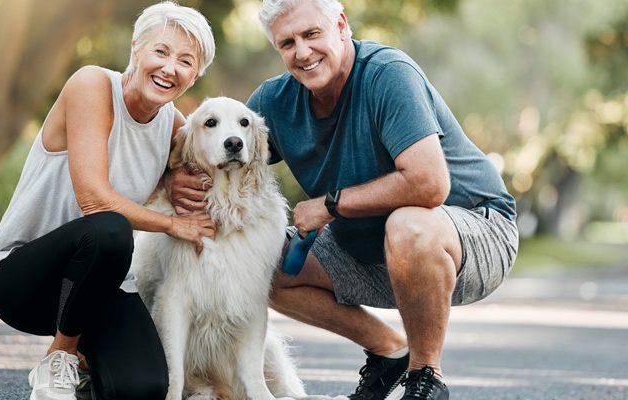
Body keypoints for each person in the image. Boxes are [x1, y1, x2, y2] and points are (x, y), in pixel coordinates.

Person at [169, 0, 518, 399]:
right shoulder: (274, 102)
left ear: (341, 25)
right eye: (287, 42)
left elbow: (429, 185)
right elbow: (218, 143)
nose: (302, 52)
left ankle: (425, 376)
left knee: (408, 225)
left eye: (311, 34)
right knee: (266, 261)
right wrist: (177, 176)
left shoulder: (388, 75)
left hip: (473, 231)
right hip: (368, 243)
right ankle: (390, 350)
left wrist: (329, 204)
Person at [0, 3, 216, 400]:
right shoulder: (92, 84)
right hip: (19, 277)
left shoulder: (175, 126)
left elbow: (208, 174)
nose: (170, 68)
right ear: (136, 49)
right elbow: (94, 200)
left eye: (186, 61)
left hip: (97, 288)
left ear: (194, 75)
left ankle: (89, 370)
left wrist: (175, 180)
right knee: (110, 228)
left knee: (145, 388)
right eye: (161, 51)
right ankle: (60, 357)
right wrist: (174, 224)